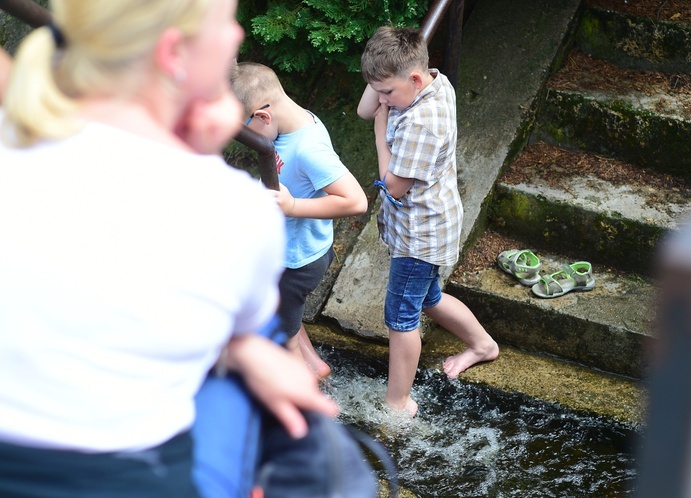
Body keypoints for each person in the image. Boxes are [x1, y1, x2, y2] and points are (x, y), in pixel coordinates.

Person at [0, 1, 337, 497]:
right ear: (173, 52)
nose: (239, 32)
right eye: (225, 20)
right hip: (130, 479)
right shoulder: (236, 210)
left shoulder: (13, 137)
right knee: (253, 353)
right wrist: (198, 154)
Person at [357, 26, 499, 417]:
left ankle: (398, 402)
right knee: (428, 298)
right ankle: (483, 346)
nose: (381, 101)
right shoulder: (435, 81)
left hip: (419, 235)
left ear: (415, 79)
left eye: (387, 92)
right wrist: (381, 83)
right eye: (378, 89)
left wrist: (379, 132)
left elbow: (393, 186)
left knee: (402, 317)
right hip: (428, 224)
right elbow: (365, 106)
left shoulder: (421, 123)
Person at [231, 62, 368, 379]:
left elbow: (356, 200)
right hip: (295, 251)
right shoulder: (294, 122)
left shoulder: (308, 148)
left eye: (248, 133)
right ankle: (316, 366)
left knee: (282, 335)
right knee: (287, 316)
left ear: (263, 116)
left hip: (298, 260)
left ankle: (310, 403)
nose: (250, 142)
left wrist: (292, 206)